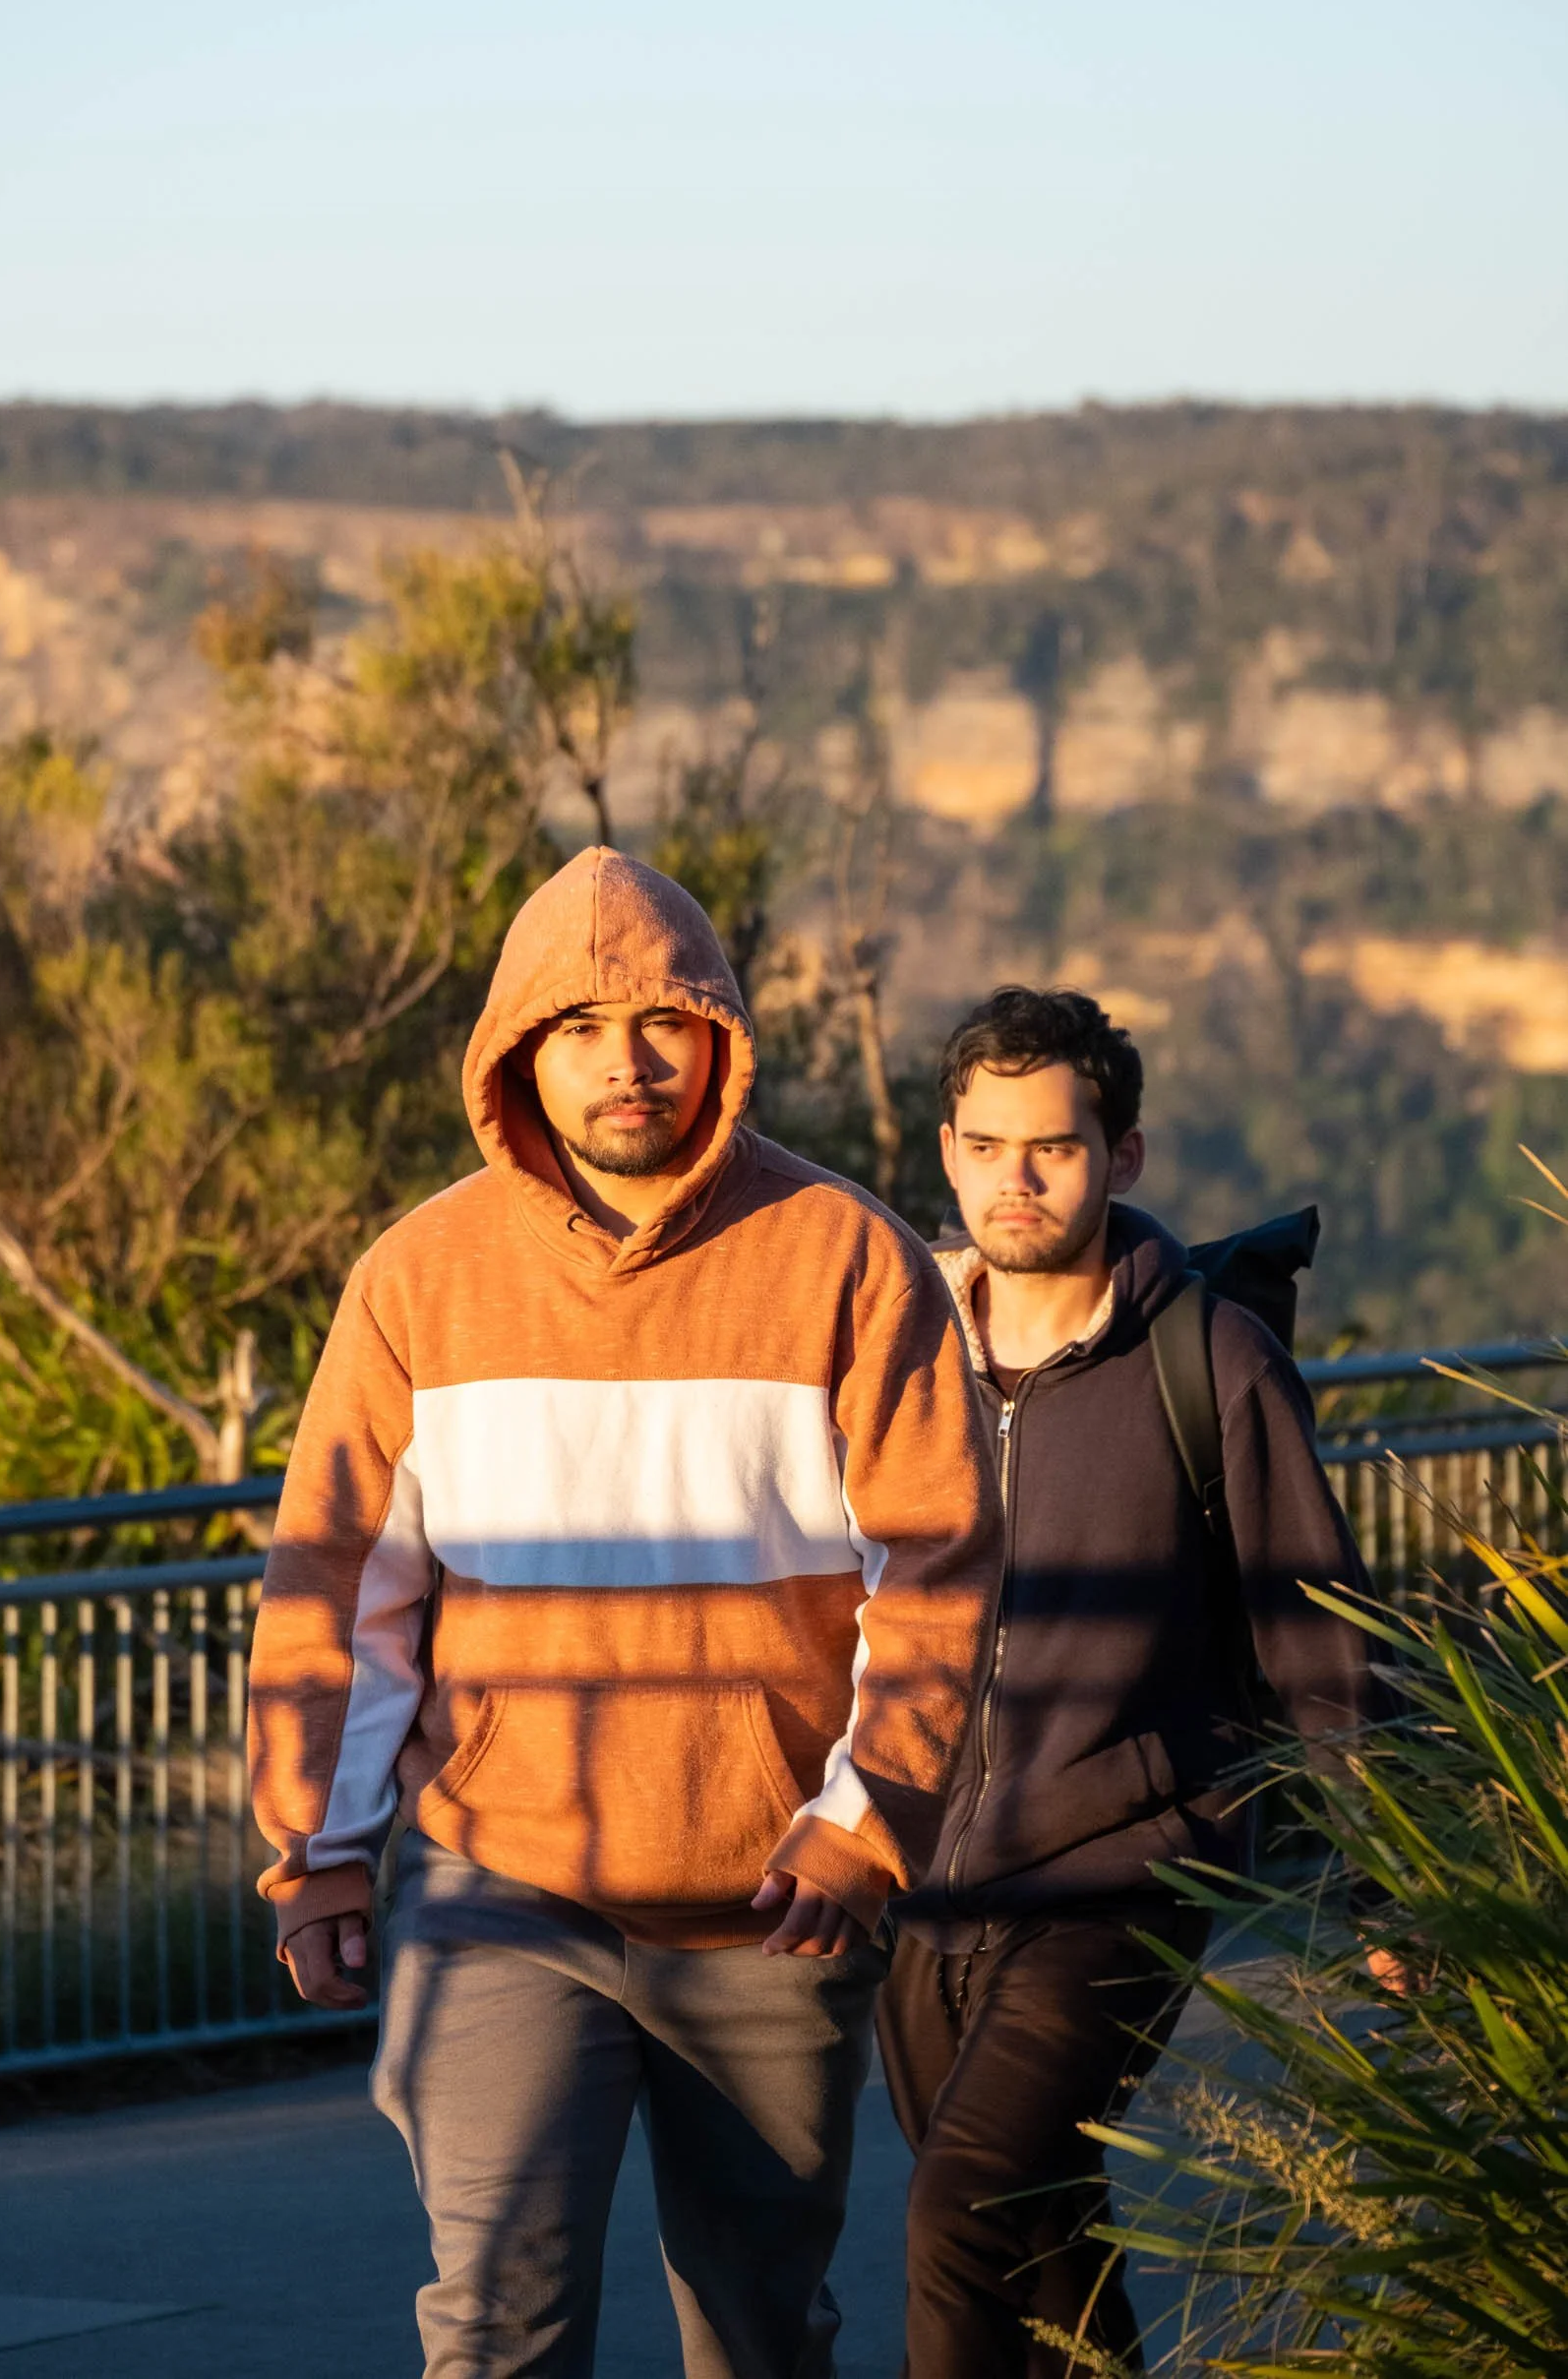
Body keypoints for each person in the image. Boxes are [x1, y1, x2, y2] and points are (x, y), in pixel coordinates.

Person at [248, 846, 1001, 2379]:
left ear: (718, 1032)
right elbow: (343, 1585)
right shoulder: (419, 1278)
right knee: (494, 2322)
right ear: (519, 1049)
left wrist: (860, 1827)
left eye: (659, 1022)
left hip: (773, 1909)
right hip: (500, 1891)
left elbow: (931, 1579)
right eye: (580, 1028)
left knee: (755, 2327)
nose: (625, 1062)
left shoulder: (848, 1260)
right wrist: (316, 1855)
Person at [877, 984, 1382, 2379]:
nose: (1014, 1179)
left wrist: (1384, 1882)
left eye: (1049, 1146)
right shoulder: (900, 1353)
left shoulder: (1206, 1354)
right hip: (926, 1878)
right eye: (985, 1146)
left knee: (954, 2219)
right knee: (1039, 2243)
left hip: (1122, 1871)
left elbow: (1313, 1630)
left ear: (1123, 1156)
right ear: (948, 1149)